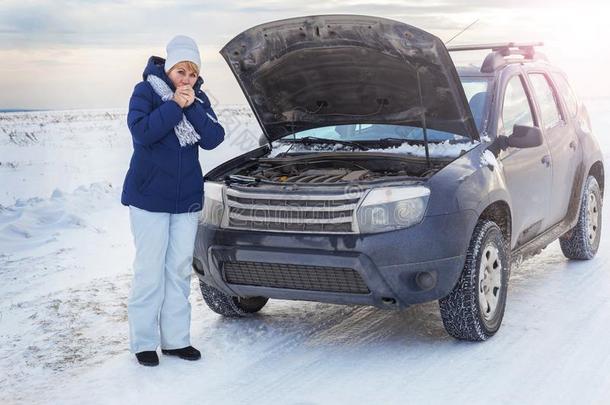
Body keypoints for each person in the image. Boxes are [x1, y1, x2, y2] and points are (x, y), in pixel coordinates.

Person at [121, 35, 225, 367]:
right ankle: (144, 343)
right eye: (181, 72)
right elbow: (142, 132)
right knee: (149, 271)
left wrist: (191, 105)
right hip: (148, 196)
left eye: (192, 74)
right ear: (169, 70)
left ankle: (176, 340)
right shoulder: (146, 92)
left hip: (185, 199)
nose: (186, 80)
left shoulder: (199, 99)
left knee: (178, 270)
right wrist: (173, 106)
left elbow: (213, 138)